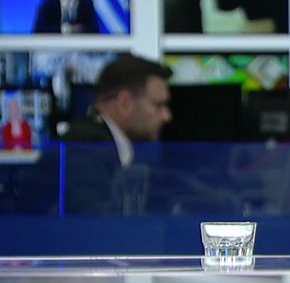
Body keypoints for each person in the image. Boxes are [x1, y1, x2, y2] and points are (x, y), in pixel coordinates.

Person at [14, 55, 172, 214]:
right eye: (158, 105)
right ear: (125, 103)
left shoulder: (99, 144)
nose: (166, 116)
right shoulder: (85, 148)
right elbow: (96, 223)